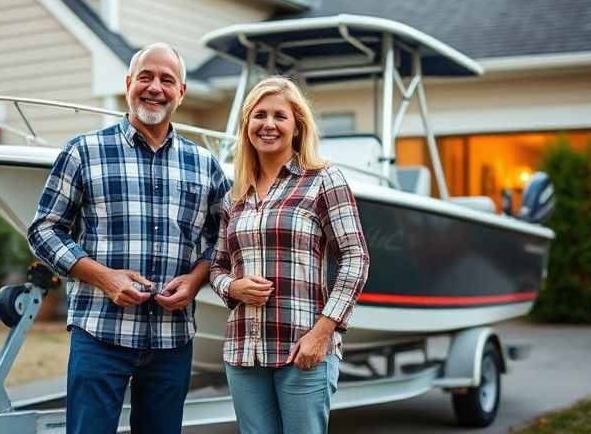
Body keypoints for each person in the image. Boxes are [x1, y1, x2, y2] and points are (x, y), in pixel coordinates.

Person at [27, 43, 230, 434]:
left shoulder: (204, 165)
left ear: (181, 92)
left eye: (167, 80)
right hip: (100, 333)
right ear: (128, 84)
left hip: (172, 340)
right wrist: (104, 277)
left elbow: (224, 238)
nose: (155, 87)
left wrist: (196, 278)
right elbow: (43, 230)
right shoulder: (84, 152)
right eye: (146, 77)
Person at [209, 77, 370, 434]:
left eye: (279, 116)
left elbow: (356, 257)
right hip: (244, 351)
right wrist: (232, 288)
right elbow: (217, 266)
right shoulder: (234, 196)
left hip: (304, 349)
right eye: (259, 115)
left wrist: (323, 333)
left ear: (297, 126)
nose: (268, 124)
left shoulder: (324, 179)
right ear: (246, 125)